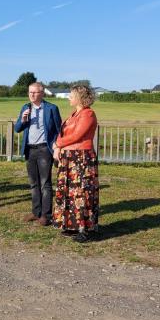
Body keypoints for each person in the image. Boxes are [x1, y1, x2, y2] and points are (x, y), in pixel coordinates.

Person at [52, 85, 99, 243]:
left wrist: (58, 143)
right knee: (69, 192)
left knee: (81, 192)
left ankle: (85, 229)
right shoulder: (74, 114)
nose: (68, 97)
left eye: (71, 95)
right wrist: (59, 146)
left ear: (80, 97)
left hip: (81, 158)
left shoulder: (88, 114)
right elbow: (66, 133)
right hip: (69, 158)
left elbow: (78, 135)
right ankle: (72, 225)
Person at [14, 82, 62, 226]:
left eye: (35, 92)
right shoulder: (25, 108)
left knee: (45, 183)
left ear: (42, 93)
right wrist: (23, 120)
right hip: (30, 149)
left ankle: (46, 215)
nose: (32, 95)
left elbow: (59, 130)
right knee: (33, 183)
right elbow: (17, 129)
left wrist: (57, 146)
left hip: (44, 150)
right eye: (30, 92)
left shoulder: (51, 108)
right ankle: (36, 212)